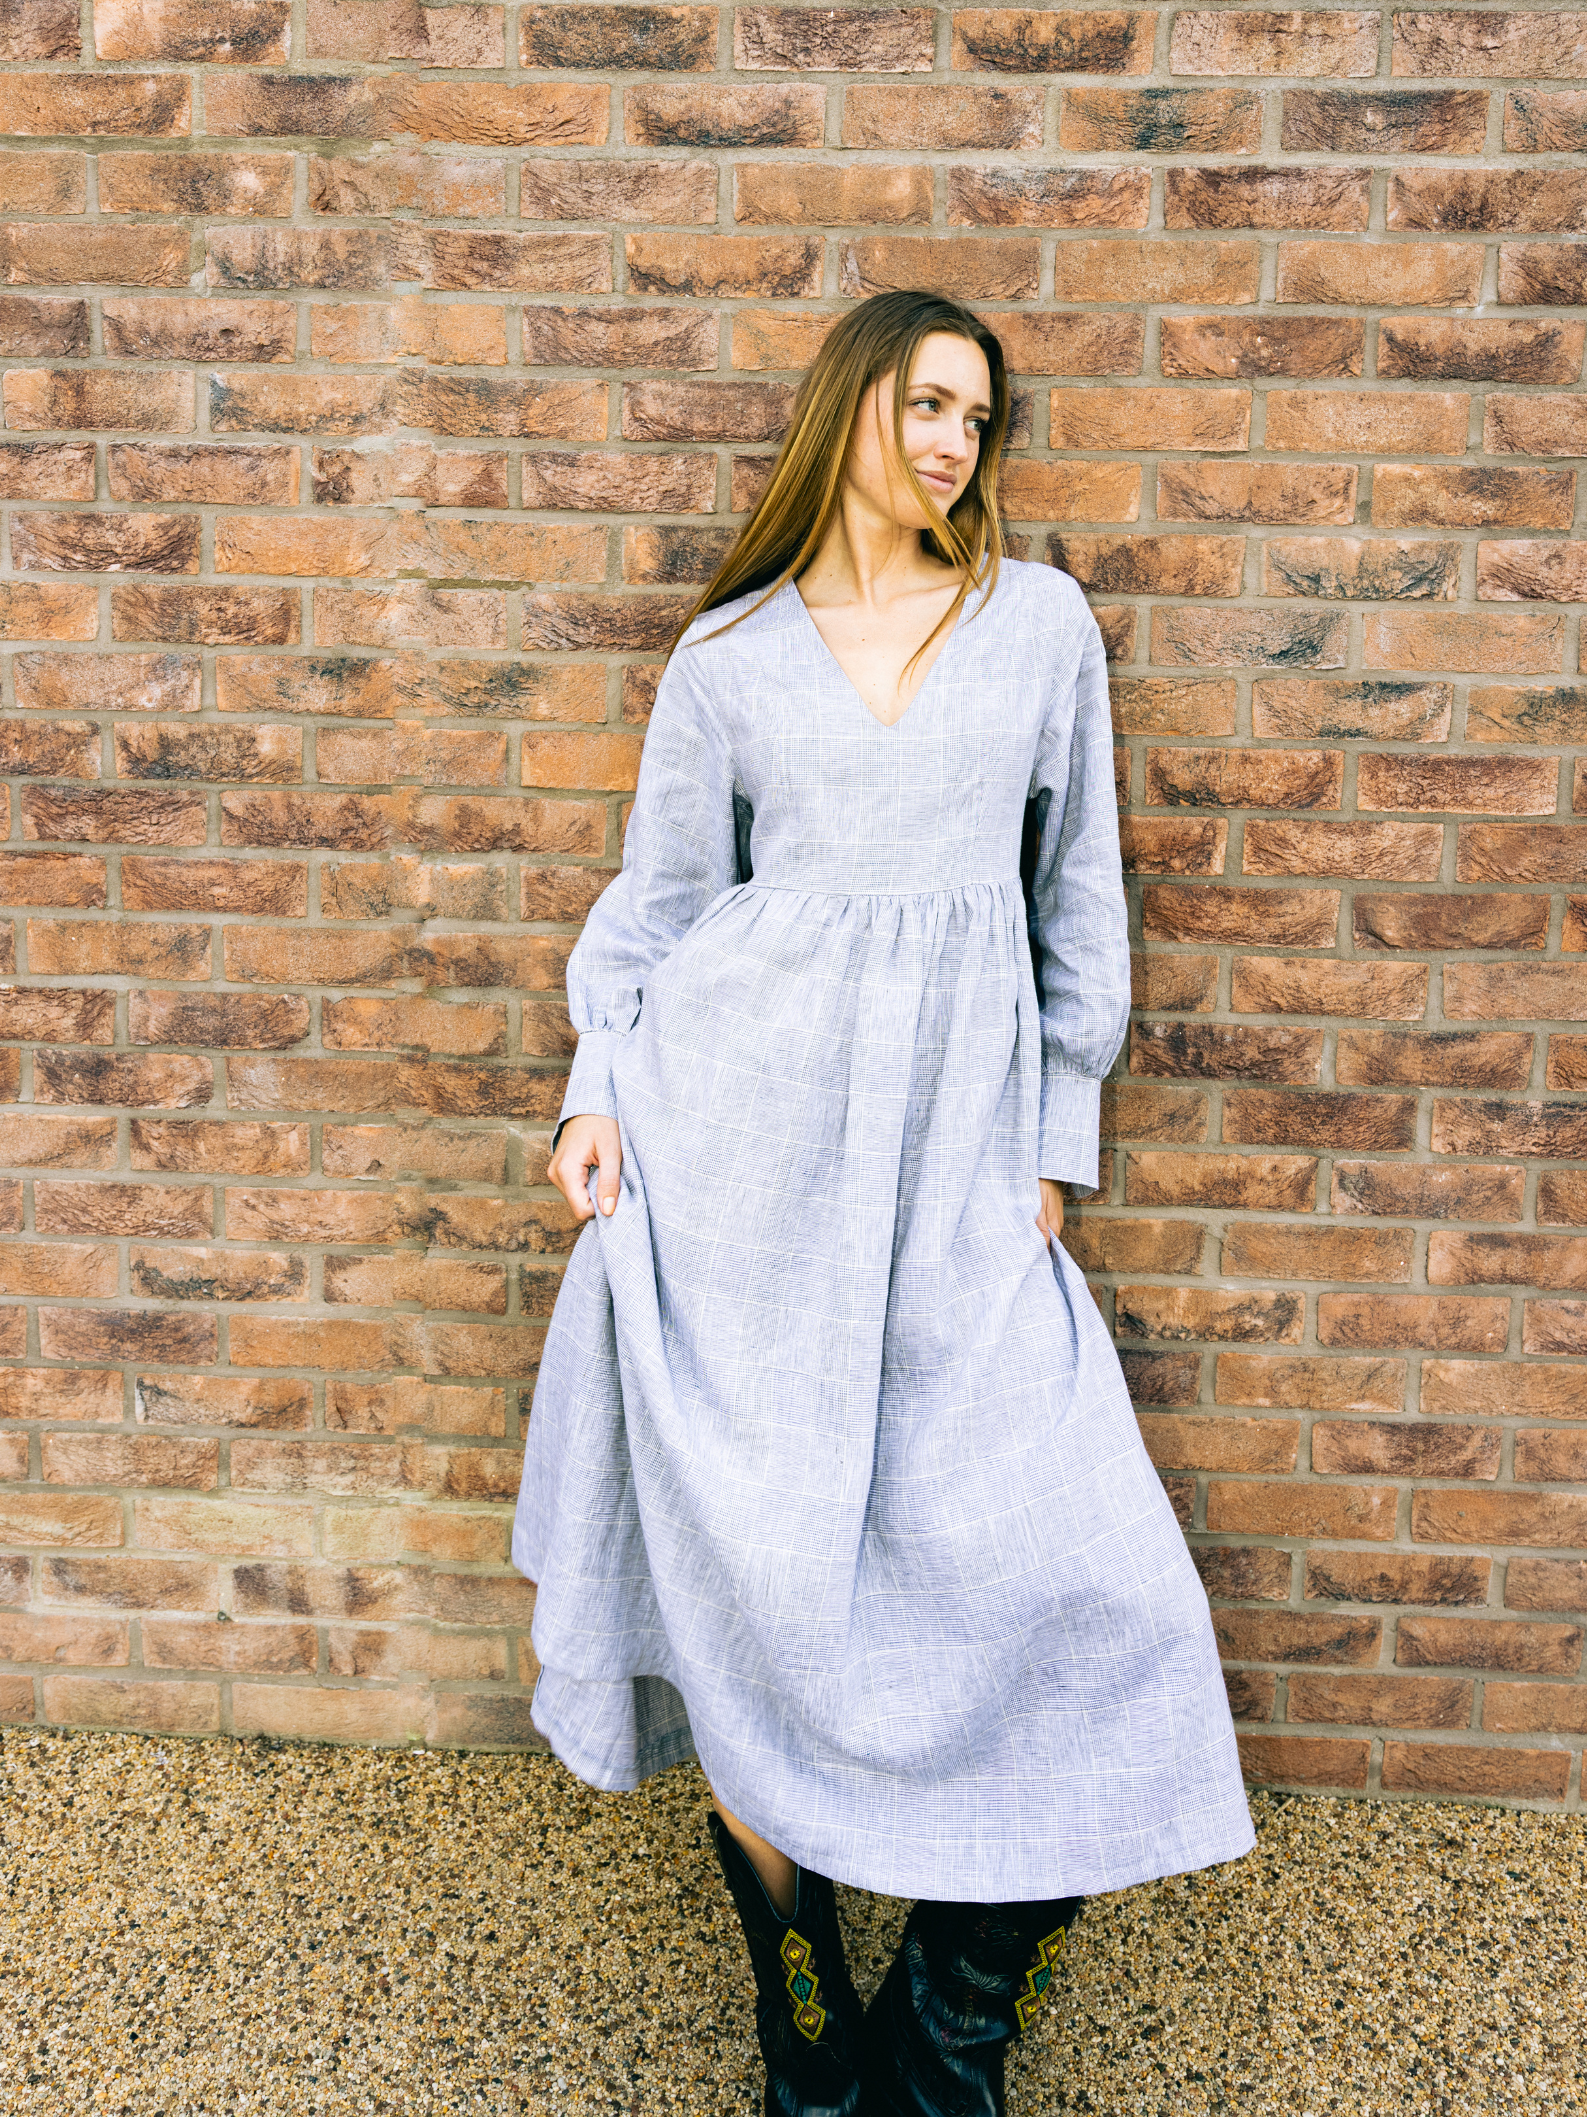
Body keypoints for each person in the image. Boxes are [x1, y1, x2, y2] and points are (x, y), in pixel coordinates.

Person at [513, 290, 1255, 2116]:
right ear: (848, 406)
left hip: (957, 1171)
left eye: (976, 421)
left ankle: (950, 2023)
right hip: (739, 1151)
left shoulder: (1039, 627)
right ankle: (803, 2022)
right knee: (758, 1580)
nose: (949, 444)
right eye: (924, 405)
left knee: (1092, 1579)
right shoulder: (732, 657)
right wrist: (600, 1090)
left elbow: (1077, 898)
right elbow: (665, 898)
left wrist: (1052, 1139)